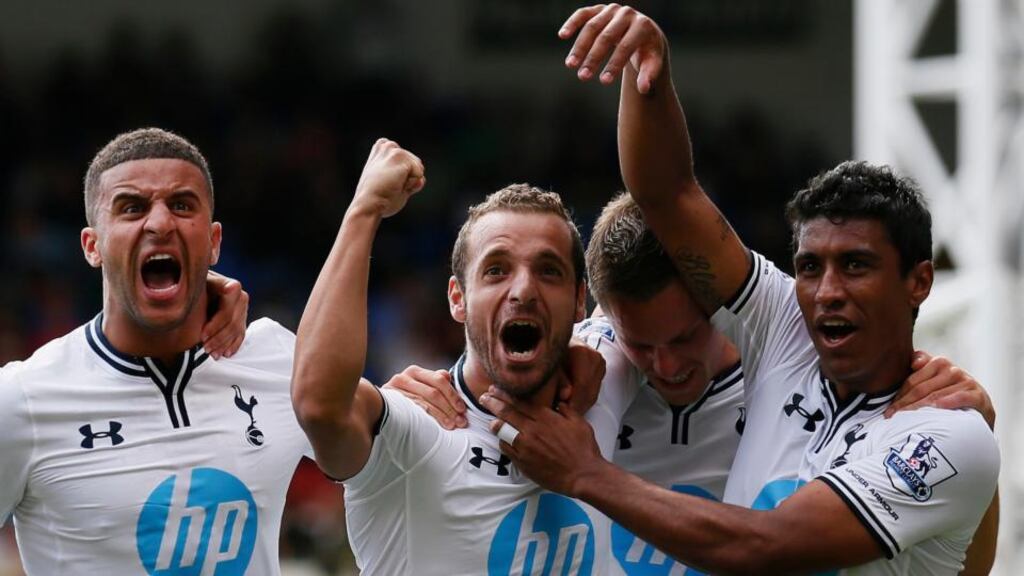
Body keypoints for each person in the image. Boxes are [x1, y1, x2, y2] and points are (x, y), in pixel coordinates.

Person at [478, 5, 1000, 575]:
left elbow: (764, 546)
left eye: (855, 265)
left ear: (917, 281)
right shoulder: (784, 329)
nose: (825, 291)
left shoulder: (948, 435)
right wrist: (648, 73)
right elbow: (668, 195)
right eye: (808, 267)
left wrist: (586, 474)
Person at [395, 191, 994, 575]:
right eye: (642, 345)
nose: (667, 365)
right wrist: (405, 404)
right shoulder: (588, 376)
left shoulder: (785, 386)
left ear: (725, 308)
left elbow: (955, 552)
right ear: (602, 318)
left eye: (686, 337)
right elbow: (491, 373)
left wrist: (974, 436)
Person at [291, 139, 632, 575]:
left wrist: (583, 349)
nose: (524, 290)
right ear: (458, 299)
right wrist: (363, 211)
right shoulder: (415, 427)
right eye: (496, 270)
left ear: (580, 301)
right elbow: (319, 406)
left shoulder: (611, 372)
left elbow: (664, 236)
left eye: (549, 271)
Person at [0, 127, 312, 575]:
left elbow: (392, 455)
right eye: (132, 208)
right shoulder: (23, 397)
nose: (161, 223)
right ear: (93, 246)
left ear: (214, 241)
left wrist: (408, 398)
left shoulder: (279, 359)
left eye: (182, 205)